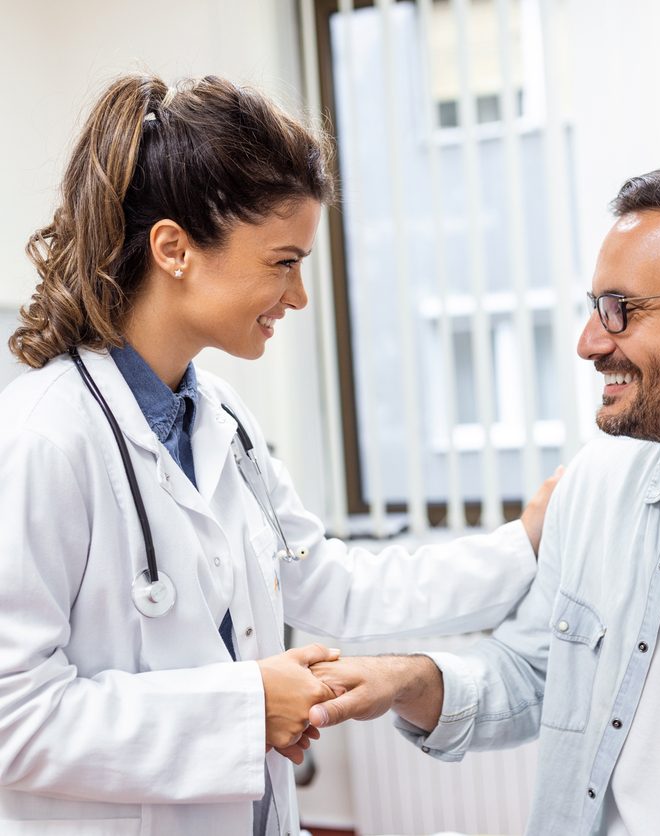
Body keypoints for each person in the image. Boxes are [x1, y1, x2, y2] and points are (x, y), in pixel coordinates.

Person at [0, 73, 559, 836]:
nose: (297, 297)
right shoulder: (43, 436)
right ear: (174, 249)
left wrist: (523, 545)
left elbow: (332, 585)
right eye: (282, 262)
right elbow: (12, 718)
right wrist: (247, 706)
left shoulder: (219, 418)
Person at [308, 162, 660, 836]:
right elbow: (532, 674)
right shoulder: (596, 485)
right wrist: (406, 680)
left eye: (621, 309)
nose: (590, 342)